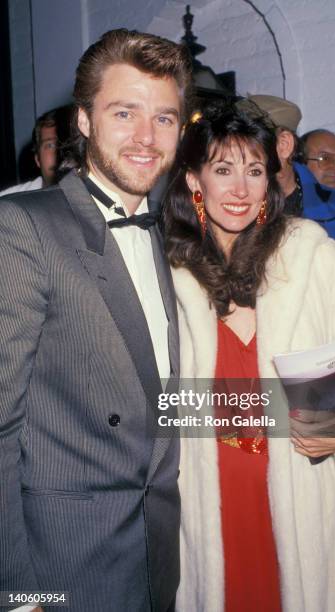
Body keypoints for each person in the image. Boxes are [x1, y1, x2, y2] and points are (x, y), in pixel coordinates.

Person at [162, 101, 335, 612]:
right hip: (212, 511)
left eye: (254, 171)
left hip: (311, 506)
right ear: (194, 181)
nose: (241, 189)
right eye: (223, 170)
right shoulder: (170, 277)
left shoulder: (310, 253)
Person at [0, 28, 191, 612]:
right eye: (124, 112)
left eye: (164, 118)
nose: (145, 137)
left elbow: (157, 403)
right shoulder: (23, 225)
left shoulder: (167, 236)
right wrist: (18, 590)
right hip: (63, 567)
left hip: (154, 554)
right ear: (83, 120)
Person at [239, 95, 335, 333]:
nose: (237, 156)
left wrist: (328, 284)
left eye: (248, 144)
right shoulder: (232, 209)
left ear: (284, 146)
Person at [0, 106, 72, 196]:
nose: (60, 153)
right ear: (38, 159)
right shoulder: (8, 202)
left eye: (68, 144)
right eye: (50, 145)